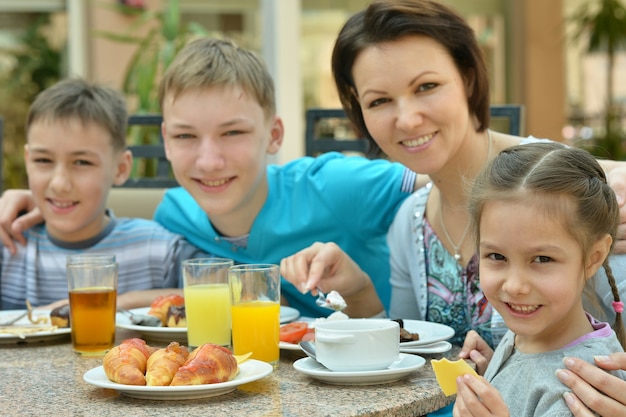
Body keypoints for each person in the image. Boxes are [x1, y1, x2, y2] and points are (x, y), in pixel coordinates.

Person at [277, 0, 626, 415]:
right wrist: (358, 292)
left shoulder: (566, 192)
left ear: (468, 79)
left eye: (426, 87)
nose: (407, 119)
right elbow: (415, 358)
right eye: (379, 101)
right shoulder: (409, 221)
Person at [0, 38, 418, 319]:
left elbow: (451, 176)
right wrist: (48, 200)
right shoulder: (176, 215)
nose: (209, 161)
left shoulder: (335, 185)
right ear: (165, 139)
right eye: (185, 136)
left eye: (232, 132)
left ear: (273, 134)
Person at [0, 77, 206, 311]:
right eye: (43, 160)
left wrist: (116, 302)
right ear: (28, 161)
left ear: (121, 168)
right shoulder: (8, 246)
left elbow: (227, 290)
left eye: (81, 162)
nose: (59, 184)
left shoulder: (157, 249)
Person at [453, 142, 626, 416]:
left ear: (593, 257)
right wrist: (499, 373)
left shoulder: (581, 392)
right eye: (496, 256)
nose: (515, 286)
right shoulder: (532, 331)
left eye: (542, 259)